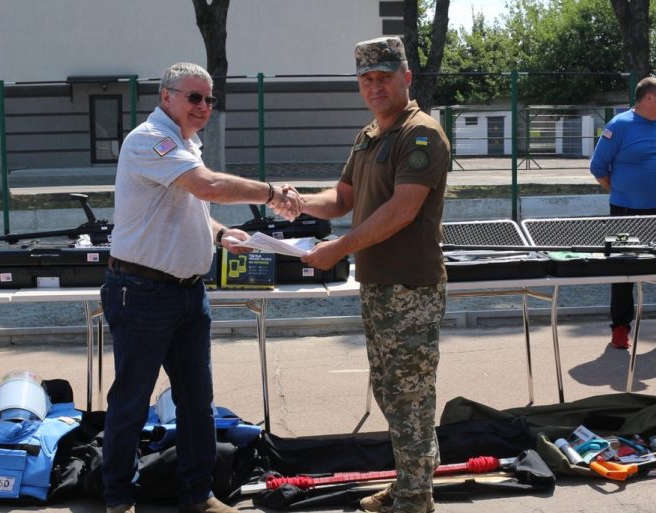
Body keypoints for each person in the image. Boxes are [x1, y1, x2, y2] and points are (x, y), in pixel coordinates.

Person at [100, 62, 301, 513]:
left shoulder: (184, 143)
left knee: (197, 402)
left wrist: (219, 233)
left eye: (209, 99)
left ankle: (197, 495)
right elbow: (205, 186)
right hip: (142, 291)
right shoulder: (151, 139)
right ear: (165, 97)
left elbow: (190, 204)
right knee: (131, 400)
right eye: (194, 97)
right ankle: (119, 499)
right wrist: (271, 193)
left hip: (187, 292)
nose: (204, 106)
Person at [297, 37, 450, 513]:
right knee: (390, 391)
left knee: (410, 397)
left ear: (407, 77)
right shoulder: (370, 135)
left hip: (411, 287)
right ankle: (411, 484)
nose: (375, 86)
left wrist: (338, 248)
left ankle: (415, 498)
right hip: (380, 284)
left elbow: (402, 210)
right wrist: (296, 202)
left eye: (385, 77)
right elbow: (342, 198)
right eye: (367, 79)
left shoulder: (420, 135)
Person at [589, 76, 656, 350]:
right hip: (626, 211)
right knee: (623, 269)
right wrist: (622, 192)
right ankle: (620, 328)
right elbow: (598, 168)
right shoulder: (619, 125)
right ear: (649, 98)